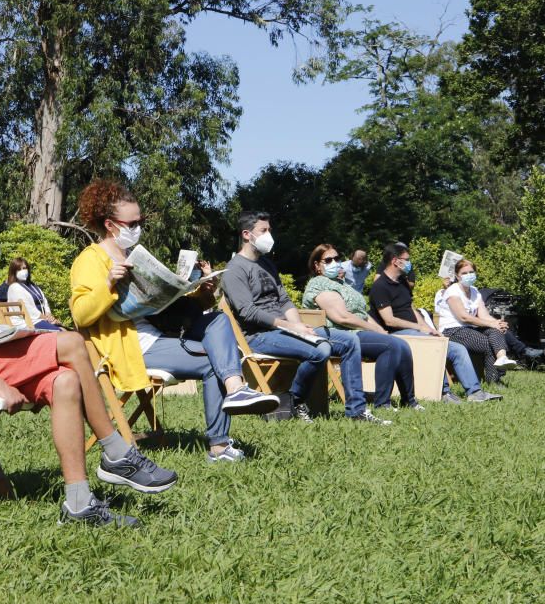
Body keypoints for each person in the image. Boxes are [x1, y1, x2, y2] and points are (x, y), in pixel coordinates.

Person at [0, 161, 177, 527]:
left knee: (65, 382)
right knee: (71, 343)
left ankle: (78, 504)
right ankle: (116, 452)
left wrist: (14, 340)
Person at [70, 181, 279, 463]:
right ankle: (219, 446)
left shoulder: (134, 256)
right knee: (212, 362)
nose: (138, 227)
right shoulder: (90, 260)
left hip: (160, 334)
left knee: (217, 319)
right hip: (130, 346)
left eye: (140, 221)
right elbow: (81, 314)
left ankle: (235, 389)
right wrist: (108, 284)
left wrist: (203, 294)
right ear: (110, 224)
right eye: (133, 222)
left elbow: (164, 306)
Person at [220, 211, 379, 424]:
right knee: (320, 350)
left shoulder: (266, 264)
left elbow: (284, 300)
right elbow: (248, 311)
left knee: (350, 341)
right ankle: (294, 401)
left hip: (284, 329)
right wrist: (290, 327)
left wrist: (298, 325)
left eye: (269, 230)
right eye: (264, 231)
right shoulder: (234, 270)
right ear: (247, 234)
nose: (269, 235)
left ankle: (357, 411)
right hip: (259, 336)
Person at [368, 242, 501, 403]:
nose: (410, 263)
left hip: (416, 330)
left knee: (457, 349)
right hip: (395, 334)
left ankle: (475, 392)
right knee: (432, 345)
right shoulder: (380, 286)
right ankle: (443, 392)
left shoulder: (402, 282)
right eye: (407, 259)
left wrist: (427, 327)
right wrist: (419, 328)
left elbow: (411, 308)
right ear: (396, 261)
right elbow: (390, 320)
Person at [303, 244, 420, 412]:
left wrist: (380, 329)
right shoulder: (318, 284)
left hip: (357, 330)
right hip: (339, 334)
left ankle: (409, 400)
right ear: (317, 265)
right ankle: (382, 403)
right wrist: (374, 330)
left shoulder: (341, 284)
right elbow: (342, 317)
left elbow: (363, 314)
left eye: (337, 259)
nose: (334, 262)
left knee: (401, 344)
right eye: (328, 260)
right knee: (390, 346)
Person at [435, 259, 520, 383]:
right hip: (452, 330)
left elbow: (484, 315)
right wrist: (491, 323)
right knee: (487, 343)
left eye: (471, 272)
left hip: (469, 328)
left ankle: (502, 358)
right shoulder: (452, 291)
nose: (468, 275)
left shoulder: (475, 291)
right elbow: (463, 317)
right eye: (464, 273)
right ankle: (494, 381)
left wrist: (497, 323)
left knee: (495, 331)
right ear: (457, 275)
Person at [5, 257, 63, 330]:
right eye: (19, 269)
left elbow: (44, 301)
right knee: (60, 332)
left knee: (65, 330)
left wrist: (48, 314)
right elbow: (27, 309)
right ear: (14, 272)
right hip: (27, 323)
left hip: (41, 320)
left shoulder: (33, 286)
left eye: (24, 268)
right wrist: (46, 318)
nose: (23, 271)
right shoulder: (14, 287)